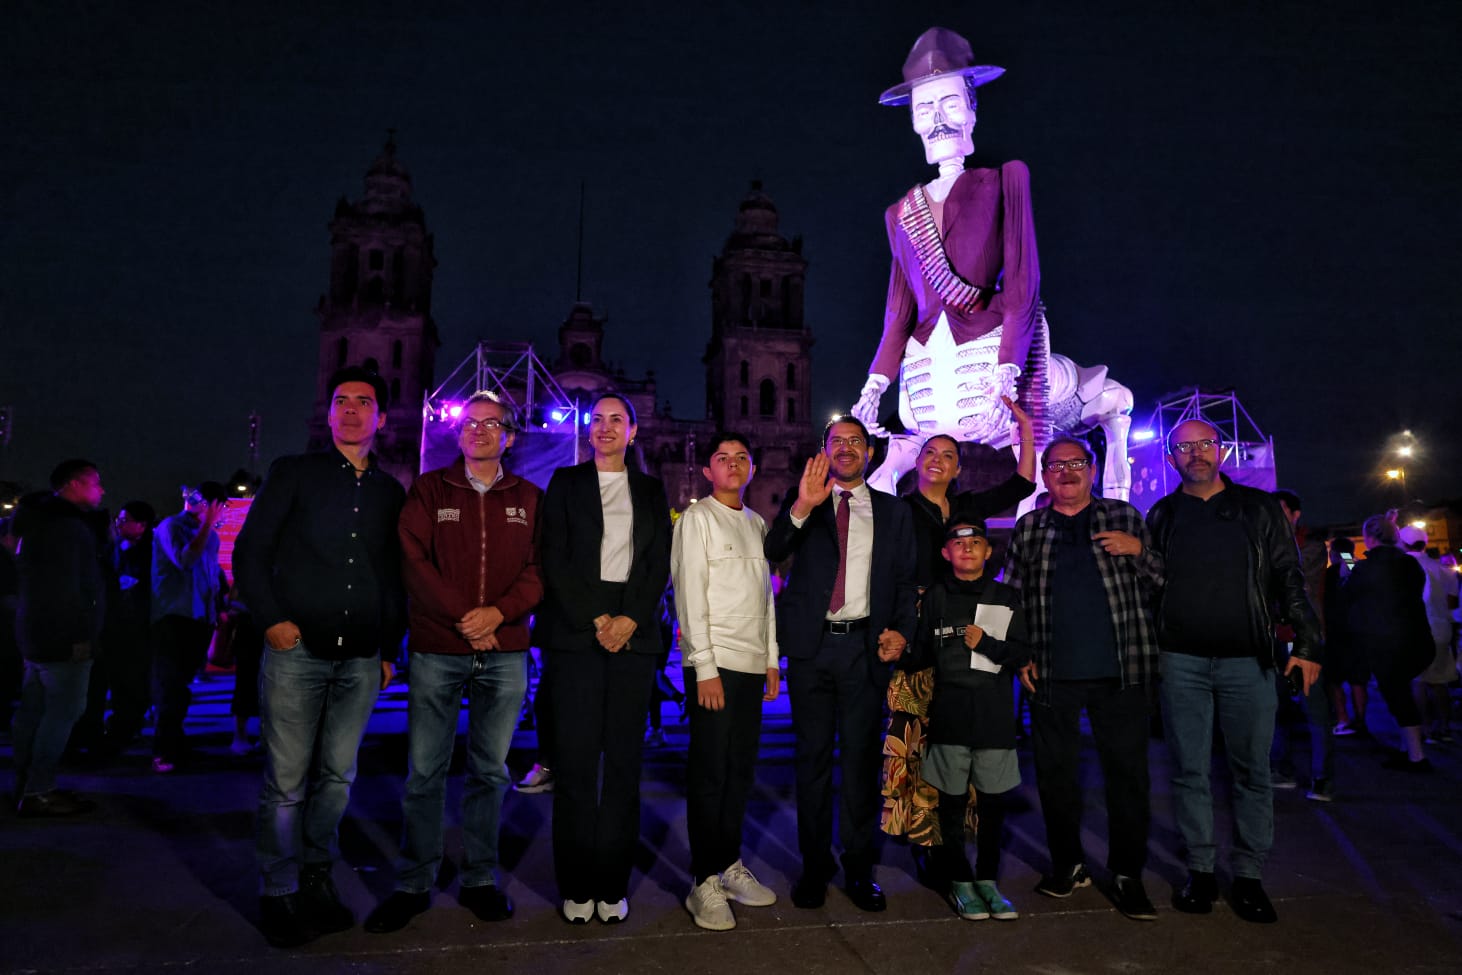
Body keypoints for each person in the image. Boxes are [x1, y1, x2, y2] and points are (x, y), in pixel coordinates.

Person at [234, 365, 406, 948]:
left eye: (364, 402)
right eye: (341, 400)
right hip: (298, 649)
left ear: (381, 416)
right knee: (285, 780)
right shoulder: (295, 473)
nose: (352, 409)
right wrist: (273, 621)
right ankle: (278, 888)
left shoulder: (388, 490)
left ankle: (316, 875)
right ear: (330, 412)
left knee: (336, 777)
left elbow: (392, 574)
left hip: (360, 657)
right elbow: (251, 551)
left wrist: (389, 646)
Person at [365, 391, 543, 933]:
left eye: (492, 424)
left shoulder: (530, 497)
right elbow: (412, 560)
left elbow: (540, 570)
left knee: (490, 773)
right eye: (470, 423)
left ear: (509, 437)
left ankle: (479, 879)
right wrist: (468, 615)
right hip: (438, 648)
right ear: (458, 433)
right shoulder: (429, 489)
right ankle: (414, 882)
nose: (479, 431)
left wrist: (498, 615)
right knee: (425, 771)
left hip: (504, 650)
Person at [1146, 418, 1321, 924]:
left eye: (1204, 444)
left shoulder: (1259, 508)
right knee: (1189, 772)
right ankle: (1200, 871)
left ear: (1220, 450)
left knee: (1251, 772)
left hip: (1248, 660)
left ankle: (1248, 876)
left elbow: (1290, 577)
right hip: (1180, 661)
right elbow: (1148, 586)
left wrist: (1307, 642)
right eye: (1185, 447)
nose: (1196, 454)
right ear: (1172, 454)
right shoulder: (1162, 513)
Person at [852, 27, 1039, 449]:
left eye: (950, 104)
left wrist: (1008, 366)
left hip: (986, 346)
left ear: (972, 110)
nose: (937, 120)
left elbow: (1022, 282)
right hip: (923, 362)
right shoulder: (899, 212)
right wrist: (874, 384)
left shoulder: (1006, 178)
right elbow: (898, 311)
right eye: (923, 110)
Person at [1004, 436, 1162, 920]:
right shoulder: (1029, 527)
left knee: (1128, 777)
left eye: (1076, 463)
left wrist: (1139, 551)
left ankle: (1128, 873)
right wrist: (1019, 655)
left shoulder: (1125, 517)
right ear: (1045, 476)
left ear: (1092, 470)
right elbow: (1012, 597)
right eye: (1055, 466)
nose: (1066, 472)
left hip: (1122, 669)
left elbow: (1162, 581)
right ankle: (1068, 863)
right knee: (1055, 777)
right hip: (1052, 673)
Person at [764, 415, 917, 912]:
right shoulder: (805, 500)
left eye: (856, 442)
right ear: (823, 450)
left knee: (859, 764)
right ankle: (814, 867)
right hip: (812, 649)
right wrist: (804, 507)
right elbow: (773, 551)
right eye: (837, 441)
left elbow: (904, 584)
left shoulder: (894, 513)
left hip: (863, 650)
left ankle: (858, 867)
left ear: (869, 453)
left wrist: (901, 631)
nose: (847, 448)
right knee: (810, 763)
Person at [534, 392, 671, 925]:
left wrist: (631, 617)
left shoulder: (651, 489)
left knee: (622, 765)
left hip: (634, 636)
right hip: (576, 634)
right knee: (574, 764)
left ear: (634, 431)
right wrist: (597, 619)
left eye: (618, 419)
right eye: (598, 420)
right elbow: (555, 557)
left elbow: (657, 557)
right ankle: (577, 883)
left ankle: (612, 884)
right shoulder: (566, 484)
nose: (606, 427)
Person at [880, 401, 1034, 867]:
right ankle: (926, 839)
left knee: (962, 738)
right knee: (918, 738)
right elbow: (887, 572)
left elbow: (1023, 483)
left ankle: (956, 835)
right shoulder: (901, 511)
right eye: (930, 453)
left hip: (964, 627)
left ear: (958, 467)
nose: (937, 460)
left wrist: (1025, 428)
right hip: (920, 626)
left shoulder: (967, 507)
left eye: (947, 455)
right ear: (918, 462)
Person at [672, 432, 780, 931]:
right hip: (714, 664)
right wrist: (704, 665)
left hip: (752, 663)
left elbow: (766, 598)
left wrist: (772, 659)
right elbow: (689, 594)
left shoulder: (757, 523)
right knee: (710, 772)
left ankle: (729, 864)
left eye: (742, 457)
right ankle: (703, 881)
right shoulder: (698, 520)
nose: (733, 464)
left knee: (739, 770)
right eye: (722, 458)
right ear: (708, 471)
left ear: (751, 468)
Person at [898, 519, 1029, 921]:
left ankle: (987, 879)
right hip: (950, 714)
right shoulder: (936, 597)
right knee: (951, 805)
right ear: (945, 553)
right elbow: (920, 652)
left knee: (993, 805)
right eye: (959, 544)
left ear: (989, 552)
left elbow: (1023, 652)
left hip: (994, 717)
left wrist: (986, 643)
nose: (968, 549)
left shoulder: (1006, 597)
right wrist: (895, 646)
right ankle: (959, 880)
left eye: (976, 543)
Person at [11, 460, 107, 816]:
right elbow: (72, 590)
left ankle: (25, 783)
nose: (101, 490)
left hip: (33, 629)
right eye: (96, 483)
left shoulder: (33, 523)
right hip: (63, 635)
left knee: (33, 710)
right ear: (75, 484)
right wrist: (82, 635)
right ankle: (40, 789)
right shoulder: (69, 528)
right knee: (63, 712)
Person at [149, 482, 227, 773]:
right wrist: (207, 524)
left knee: (181, 687)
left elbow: (210, 577)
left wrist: (217, 611)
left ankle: (176, 743)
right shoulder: (171, 526)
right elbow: (185, 560)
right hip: (172, 616)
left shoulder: (213, 536)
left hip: (199, 618)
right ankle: (163, 751)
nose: (219, 512)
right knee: (170, 686)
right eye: (215, 505)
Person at [1342, 515, 1431, 772]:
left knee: (1397, 696)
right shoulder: (1410, 565)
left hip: (1387, 641)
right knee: (1401, 693)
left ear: (1369, 538)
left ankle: (1416, 756)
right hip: (1417, 637)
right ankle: (1409, 749)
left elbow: (1349, 590)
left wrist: (1347, 560)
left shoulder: (1366, 568)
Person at [1270, 490, 1336, 801]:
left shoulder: (1309, 549)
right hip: (1275, 638)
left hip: (1303, 641)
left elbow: (1294, 583)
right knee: (1276, 708)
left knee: (1314, 710)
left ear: (1296, 515)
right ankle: (1280, 768)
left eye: (1280, 510)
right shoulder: (1267, 546)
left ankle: (1323, 778)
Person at [1398, 525, 1458, 743]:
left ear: (1403, 543)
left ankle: (1424, 728)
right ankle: (1444, 726)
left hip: (1415, 630)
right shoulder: (1445, 570)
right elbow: (1452, 603)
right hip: (1442, 629)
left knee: (1419, 681)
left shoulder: (1403, 567)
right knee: (1440, 681)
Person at [1323, 537, 1367, 737]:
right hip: (1358, 633)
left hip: (1335, 633)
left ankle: (1343, 719)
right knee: (1358, 680)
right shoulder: (1358, 571)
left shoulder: (1328, 574)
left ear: (1332, 552)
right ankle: (1360, 720)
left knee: (1335, 680)